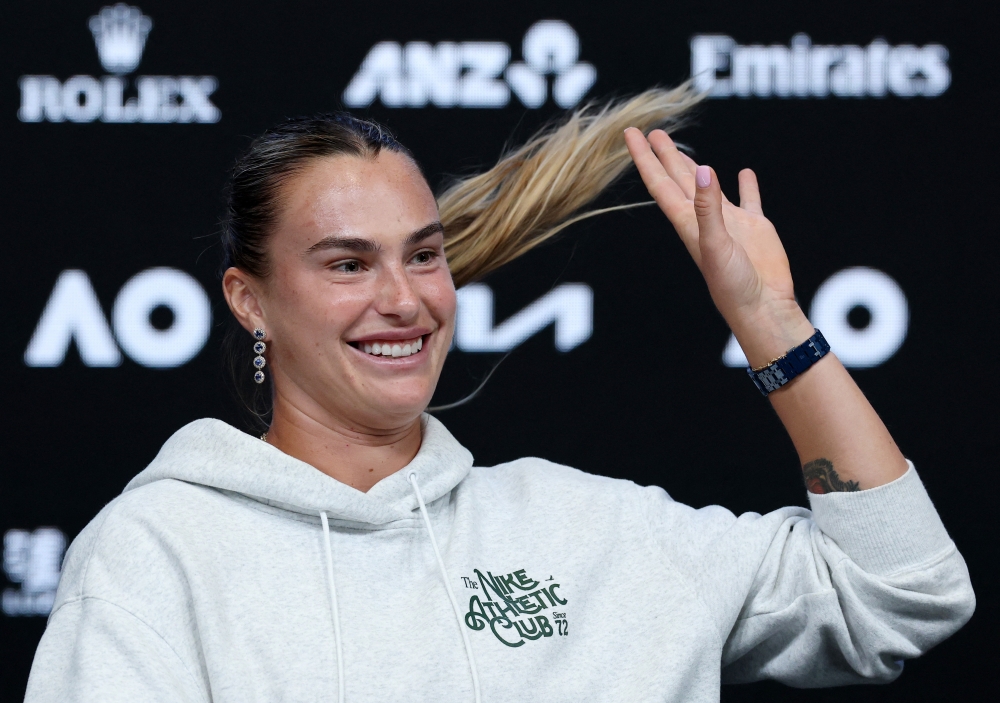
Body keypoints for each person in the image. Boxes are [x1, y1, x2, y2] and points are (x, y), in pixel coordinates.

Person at [24, 87, 974, 702]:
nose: (403, 299)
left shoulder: (595, 531)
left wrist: (770, 320)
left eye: (424, 256)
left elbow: (902, 592)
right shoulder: (158, 557)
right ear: (250, 298)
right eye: (347, 262)